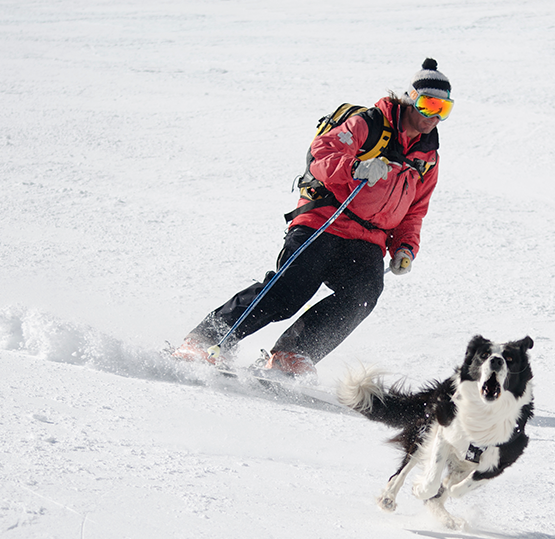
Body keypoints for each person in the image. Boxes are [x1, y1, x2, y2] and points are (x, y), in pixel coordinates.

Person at [170, 59, 453, 382]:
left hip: (368, 239)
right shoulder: (369, 124)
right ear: (410, 98)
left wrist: (405, 248)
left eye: (444, 109)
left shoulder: (428, 158)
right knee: (288, 292)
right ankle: (205, 340)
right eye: (429, 104)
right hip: (326, 220)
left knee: (362, 296)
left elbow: (415, 210)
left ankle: (292, 353)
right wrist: (356, 169)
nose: (434, 116)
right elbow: (323, 154)